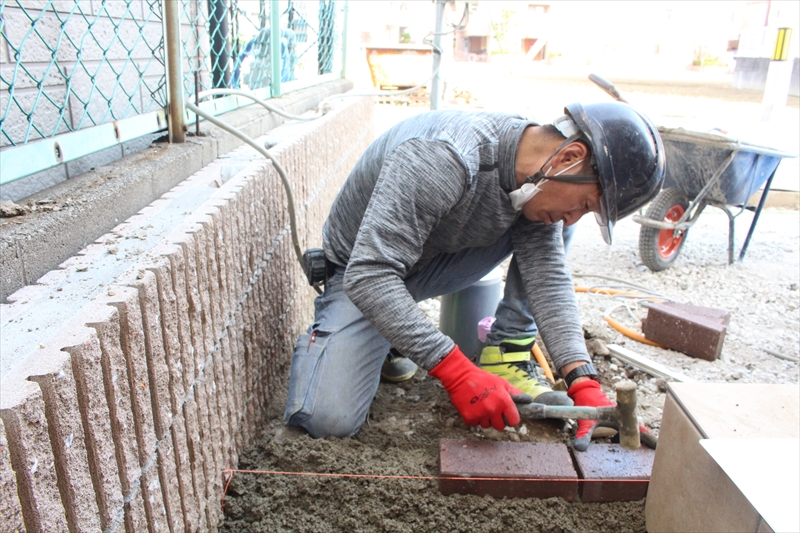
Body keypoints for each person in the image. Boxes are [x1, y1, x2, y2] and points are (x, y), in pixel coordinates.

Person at [284, 102, 664, 449]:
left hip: (431, 263)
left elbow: (548, 278)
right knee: (326, 419)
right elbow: (370, 274)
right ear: (570, 156)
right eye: (584, 204)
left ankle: (504, 352)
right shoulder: (443, 157)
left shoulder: (537, 176)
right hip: (365, 270)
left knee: (550, 222)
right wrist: (456, 371)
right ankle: (383, 331)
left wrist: (582, 380)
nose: (573, 216)